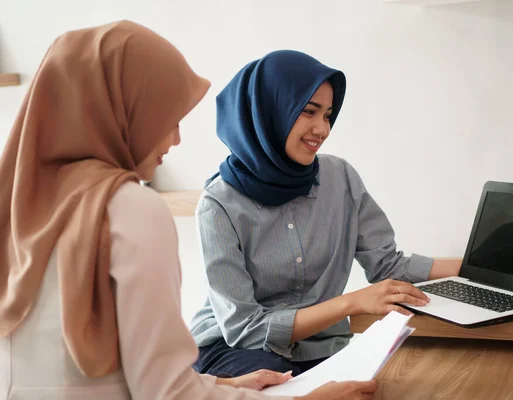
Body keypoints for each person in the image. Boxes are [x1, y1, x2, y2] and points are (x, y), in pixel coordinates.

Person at [0, 22, 376, 400]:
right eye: (167, 118)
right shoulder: (132, 211)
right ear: (123, 111)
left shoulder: (16, 208)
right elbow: (166, 392)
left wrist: (223, 386)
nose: (176, 138)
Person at [190, 50, 461, 378]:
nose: (323, 129)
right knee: (280, 380)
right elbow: (244, 329)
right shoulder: (218, 204)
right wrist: (352, 303)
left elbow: (389, 267)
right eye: (309, 112)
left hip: (319, 346)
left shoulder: (340, 178)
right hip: (233, 350)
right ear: (269, 111)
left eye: (329, 115)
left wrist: (484, 266)